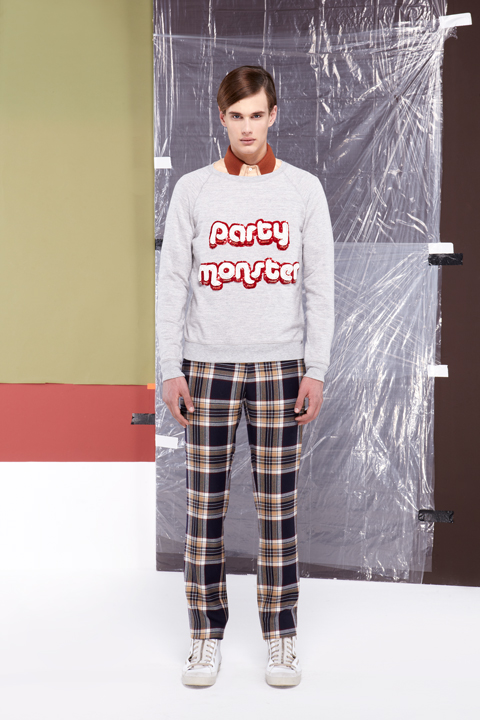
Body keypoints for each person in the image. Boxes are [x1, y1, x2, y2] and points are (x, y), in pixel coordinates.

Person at [157, 65, 335, 687]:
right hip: (206, 368)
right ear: (222, 118)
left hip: (282, 369)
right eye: (237, 116)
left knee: (277, 509)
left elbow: (319, 288)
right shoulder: (193, 191)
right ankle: (204, 637)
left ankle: (281, 637)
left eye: (257, 115)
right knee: (203, 509)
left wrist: (316, 368)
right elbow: (171, 285)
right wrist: (169, 369)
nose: (247, 128)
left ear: (273, 114)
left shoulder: (304, 190)